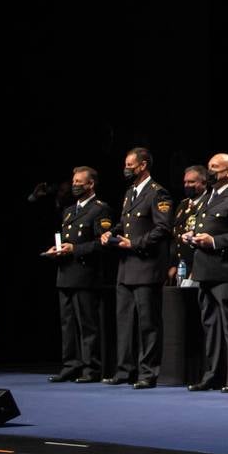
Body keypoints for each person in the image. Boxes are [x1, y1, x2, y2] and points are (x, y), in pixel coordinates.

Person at [100, 147, 172, 389]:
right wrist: (112, 232)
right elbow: (126, 223)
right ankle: (124, 370)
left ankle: (148, 372)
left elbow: (162, 229)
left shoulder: (158, 193)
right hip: (125, 268)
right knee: (124, 322)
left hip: (146, 266)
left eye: (130, 165)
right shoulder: (130, 192)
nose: (126, 169)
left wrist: (135, 243)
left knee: (148, 324)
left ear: (143, 166)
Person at [186, 153, 228, 392]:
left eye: (215, 167)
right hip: (205, 270)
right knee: (211, 326)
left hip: (227, 270)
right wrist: (193, 237)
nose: (210, 171)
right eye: (209, 167)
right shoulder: (207, 198)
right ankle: (213, 374)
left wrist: (213, 241)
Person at [44, 166, 112, 383]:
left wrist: (75, 249)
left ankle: (91, 368)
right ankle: (70, 365)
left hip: (85, 275)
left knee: (87, 324)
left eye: (79, 182)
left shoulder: (100, 209)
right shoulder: (68, 211)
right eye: (73, 182)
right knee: (68, 324)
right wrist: (57, 251)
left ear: (90, 184)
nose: (74, 185)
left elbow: (102, 245)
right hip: (65, 273)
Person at [170, 165, 207, 282]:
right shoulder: (183, 205)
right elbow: (175, 236)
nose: (187, 185)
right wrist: (174, 264)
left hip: (200, 266)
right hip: (182, 265)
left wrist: (196, 270)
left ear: (204, 182)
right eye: (185, 182)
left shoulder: (209, 204)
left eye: (191, 182)